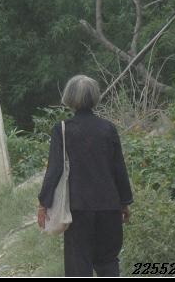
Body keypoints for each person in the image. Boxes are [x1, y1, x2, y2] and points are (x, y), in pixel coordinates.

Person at [37, 75, 133, 277]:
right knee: (108, 261)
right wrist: (124, 203)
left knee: (79, 265)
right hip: (109, 206)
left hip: (78, 209)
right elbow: (119, 168)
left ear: (69, 98)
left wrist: (44, 204)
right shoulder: (108, 128)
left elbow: (55, 170)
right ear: (95, 98)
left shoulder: (63, 130)